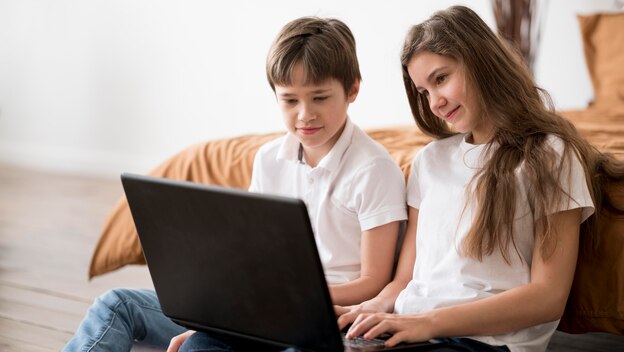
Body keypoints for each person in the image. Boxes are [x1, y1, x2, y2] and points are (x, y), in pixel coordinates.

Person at [63, 16, 408, 352]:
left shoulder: (374, 169)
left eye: (319, 98)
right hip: (255, 311)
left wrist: (289, 300)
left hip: (325, 319)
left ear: (352, 90)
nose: (305, 114)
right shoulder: (269, 159)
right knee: (118, 305)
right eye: (290, 100)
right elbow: (254, 257)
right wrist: (224, 307)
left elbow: (373, 282)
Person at [335, 5, 624, 352]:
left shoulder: (548, 155)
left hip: (480, 342)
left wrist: (426, 323)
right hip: (413, 331)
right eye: (423, 91)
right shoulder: (429, 159)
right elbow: (405, 280)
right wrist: (366, 310)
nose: (435, 104)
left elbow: (547, 297)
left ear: (479, 62)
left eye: (441, 79)